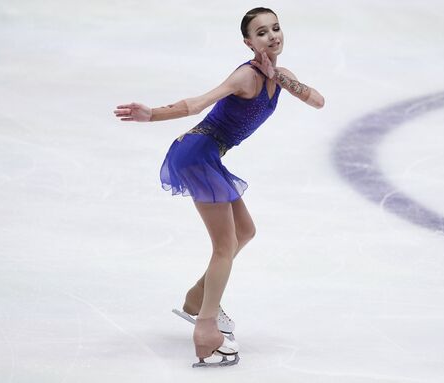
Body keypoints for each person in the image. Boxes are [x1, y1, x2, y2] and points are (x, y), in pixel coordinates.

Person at [113, 7, 324, 368]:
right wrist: (152, 115)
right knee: (225, 244)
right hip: (195, 153)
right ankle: (206, 335)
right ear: (248, 42)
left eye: (275, 28)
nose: (272, 36)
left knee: (245, 230)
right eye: (261, 33)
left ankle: (198, 298)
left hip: (210, 156)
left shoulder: (280, 77)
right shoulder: (245, 76)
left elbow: (317, 100)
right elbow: (197, 104)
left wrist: (281, 77)